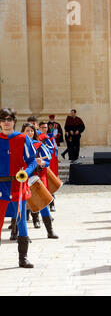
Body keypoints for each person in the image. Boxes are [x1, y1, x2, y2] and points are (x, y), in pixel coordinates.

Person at [0, 108, 38, 268]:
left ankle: (23, 258)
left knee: (21, 220)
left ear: (14, 121)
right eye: (3, 119)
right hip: (0, 186)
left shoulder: (23, 138)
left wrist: (26, 172)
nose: (6, 122)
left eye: (9, 119)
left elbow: (32, 161)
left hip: (17, 184)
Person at [21, 123, 58, 239]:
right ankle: (16, 232)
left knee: (42, 204)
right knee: (20, 206)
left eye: (32, 131)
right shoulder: (18, 145)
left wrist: (41, 163)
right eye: (27, 131)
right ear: (23, 132)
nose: (30, 133)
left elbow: (47, 159)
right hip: (21, 178)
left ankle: (50, 231)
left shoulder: (38, 144)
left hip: (35, 177)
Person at [40, 121, 58, 212]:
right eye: (42, 127)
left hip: (49, 164)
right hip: (39, 166)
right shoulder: (36, 138)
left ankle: (52, 204)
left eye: (46, 127)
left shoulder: (50, 138)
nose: (44, 129)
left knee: (49, 186)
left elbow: (53, 152)